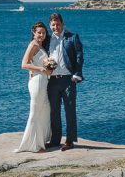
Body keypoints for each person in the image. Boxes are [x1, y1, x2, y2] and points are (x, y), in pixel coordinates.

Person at [45, 12, 83, 151]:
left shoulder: (72, 38)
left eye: (58, 24)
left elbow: (79, 57)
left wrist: (76, 75)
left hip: (68, 80)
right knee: (54, 112)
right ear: (50, 26)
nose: (56, 27)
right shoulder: (47, 40)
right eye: (53, 25)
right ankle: (55, 140)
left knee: (69, 111)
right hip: (52, 81)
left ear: (63, 24)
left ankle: (70, 141)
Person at [14, 21, 53, 153]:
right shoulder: (33, 45)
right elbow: (24, 64)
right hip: (37, 82)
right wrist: (42, 70)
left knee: (45, 111)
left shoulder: (41, 46)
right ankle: (32, 146)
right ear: (33, 33)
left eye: (43, 32)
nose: (41, 35)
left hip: (43, 81)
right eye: (39, 32)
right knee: (35, 113)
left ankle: (41, 141)